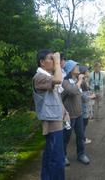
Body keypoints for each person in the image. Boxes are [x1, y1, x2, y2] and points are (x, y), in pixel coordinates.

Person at [32, 49, 65, 180]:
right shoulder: (39, 77)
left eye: (54, 59)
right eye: (50, 58)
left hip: (55, 118)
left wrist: (64, 112)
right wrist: (57, 62)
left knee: (50, 155)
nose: (54, 61)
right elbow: (58, 79)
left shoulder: (46, 76)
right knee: (57, 157)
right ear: (42, 62)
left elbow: (56, 96)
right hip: (51, 121)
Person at [62, 60, 90, 166]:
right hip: (68, 115)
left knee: (80, 135)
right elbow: (73, 91)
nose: (78, 67)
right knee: (66, 137)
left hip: (79, 114)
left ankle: (81, 154)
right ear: (70, 69)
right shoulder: (65, 82)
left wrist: (83, 81)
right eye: (76, 66)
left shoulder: (78, 80)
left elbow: (84, 91)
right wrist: (79, 81)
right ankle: (63, 156)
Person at [79, 65, 96, 144]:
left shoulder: (85, 81)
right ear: (83, 73)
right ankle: (82, 139)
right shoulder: (81, 82)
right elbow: (82, 96)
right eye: (87, 71)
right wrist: (91, 96)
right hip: (83, 108)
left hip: (86, 107)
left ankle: (82, 137)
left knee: (84, 123)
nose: (89, 72)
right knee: (83, 124)